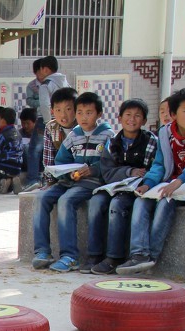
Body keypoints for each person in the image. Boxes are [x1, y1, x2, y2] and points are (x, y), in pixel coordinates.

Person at [117, 89, 185, 275]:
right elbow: (160, 165)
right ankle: (138, 254)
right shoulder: (165, 133)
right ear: (173, 115)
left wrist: (181, 180)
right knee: (141, 200)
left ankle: (151, 255)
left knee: (165, 202)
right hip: (169, 183)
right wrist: (148, 183)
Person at [33, 91, 112, 273]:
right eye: (80, 112)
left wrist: (93, 169)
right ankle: (42, 251)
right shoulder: (73, 135)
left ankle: (70, 256)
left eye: (89, 113)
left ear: (99, 114)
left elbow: (110, 164)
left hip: (91, 183)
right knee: (41, 198)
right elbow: (60, 162)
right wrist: (68, 174)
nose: (83, 117)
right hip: (69, 181)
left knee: (66, 201)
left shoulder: (107, 135)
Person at [88, 98, 157, 275]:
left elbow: (153, 169)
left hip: (138, 189)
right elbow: (107, 172)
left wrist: (140, 176)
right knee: (96, 202)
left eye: (137, 116)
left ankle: (114, 256)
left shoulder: (151, 142)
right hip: (114, 186)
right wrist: (129, 171)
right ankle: (94, 254)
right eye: (128, 115)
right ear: (119, 118)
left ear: (144, 121)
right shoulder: (112, 144)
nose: (132, 119)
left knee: (117, 205)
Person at [24, 55, 68, 190]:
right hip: (65, 121)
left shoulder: (46, 84)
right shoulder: (65, 82)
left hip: (46, 120)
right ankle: (58, 178)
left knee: (36, 150)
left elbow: (44, 105)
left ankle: (34, 180)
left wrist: (49, 122)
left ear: (45, 69)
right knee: (59, 149)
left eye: (41, 69)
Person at [36, 86, 78, 190]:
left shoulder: (83, 126)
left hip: (81, 174)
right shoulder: (51, 127)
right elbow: (48, 158)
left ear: (77, 109)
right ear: (52, 111)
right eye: (58, 110)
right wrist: (50, 181)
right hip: (61, 176)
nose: (63, 115)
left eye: (68, 109)